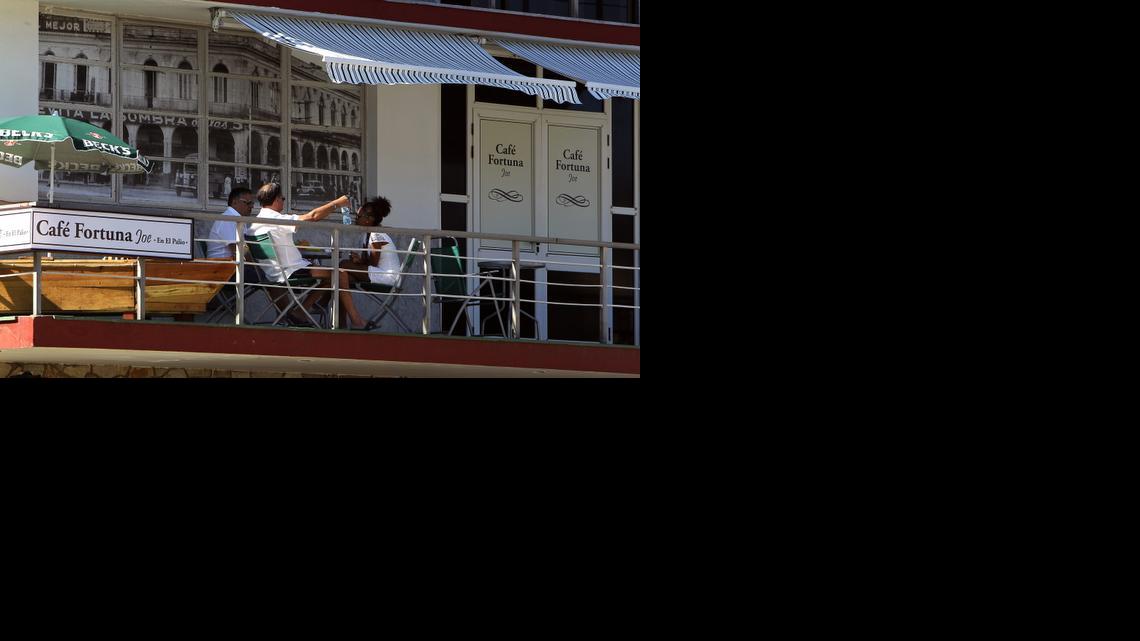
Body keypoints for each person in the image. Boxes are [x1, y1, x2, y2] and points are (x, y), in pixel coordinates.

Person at [247, 182, 369, 329]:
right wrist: (337, 203)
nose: (283, 202)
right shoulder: (275, 219)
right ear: (276, 199)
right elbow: (312, 216)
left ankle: (308, 310)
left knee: (333, 276)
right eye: (283, 198)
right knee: (340, 275)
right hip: (291, 272)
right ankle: (356, 321)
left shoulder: (252, 225)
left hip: (273, 274)